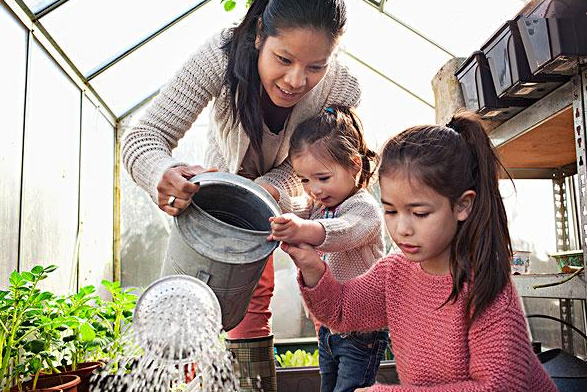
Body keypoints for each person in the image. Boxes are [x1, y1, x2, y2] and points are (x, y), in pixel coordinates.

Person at [121, 0, 360, 391]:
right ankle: (252, 387)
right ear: (260, 35)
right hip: (229, 206)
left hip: (306, 202)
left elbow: (326, 164)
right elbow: (144, 138)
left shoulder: (341, 87)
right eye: (283, 58)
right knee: (244, 301)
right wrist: (161, 173)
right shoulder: (221, 56)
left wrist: (271, 190)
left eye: (315, 66)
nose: (296, 80)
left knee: (326, 292)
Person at [279, 111, 558, 391]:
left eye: (420, 213)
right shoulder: (395, 272)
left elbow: (501, 387)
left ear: (462, 206)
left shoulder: (486, 284)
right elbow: (341, 311)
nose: (402, 228)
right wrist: (312, 267)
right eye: (390, 210)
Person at [267, 106, 389, 392]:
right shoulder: (320, 207)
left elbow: (342, 232)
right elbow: (297, 207)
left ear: (354, 165)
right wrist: (275, 199)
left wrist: (301, 229)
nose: (314, 189)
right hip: (329, 328)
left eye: (322, 178)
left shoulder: (364, 209)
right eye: (305, 180)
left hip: (362, 330)